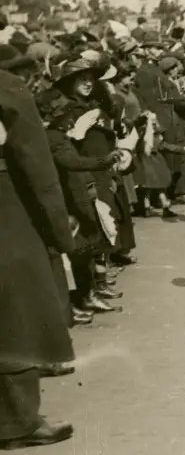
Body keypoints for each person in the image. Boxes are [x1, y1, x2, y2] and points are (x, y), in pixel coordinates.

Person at [0, 68, 76, 449]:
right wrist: (59, 233)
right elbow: (36, 166)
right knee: (18, 313)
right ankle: (17, 422)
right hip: (5, 211)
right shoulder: (7, 87)